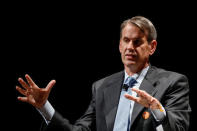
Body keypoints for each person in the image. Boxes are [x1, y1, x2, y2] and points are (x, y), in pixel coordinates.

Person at [16, 16, 191, 131]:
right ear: (120, 46)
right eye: (126, 41)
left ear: (152, 47)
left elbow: (179, 128)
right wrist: (44, 107)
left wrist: (156, 108)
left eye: (137, 42)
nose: (130, 47)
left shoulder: (172, 82)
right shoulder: (101, 87)